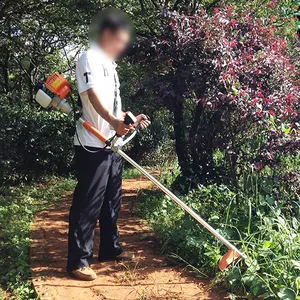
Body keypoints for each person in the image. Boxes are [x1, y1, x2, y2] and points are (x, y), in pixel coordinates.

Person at [67, 9, 151, 281]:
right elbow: (91, 96)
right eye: (119, 40)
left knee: (112, 202)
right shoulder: (88, 57)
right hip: (93, 144)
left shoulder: (111, 65)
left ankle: (110, 249)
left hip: (113, 144)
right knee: (88, 202)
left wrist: (128, 119)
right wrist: (114, 121)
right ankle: (78, 261)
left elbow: (113, 103)